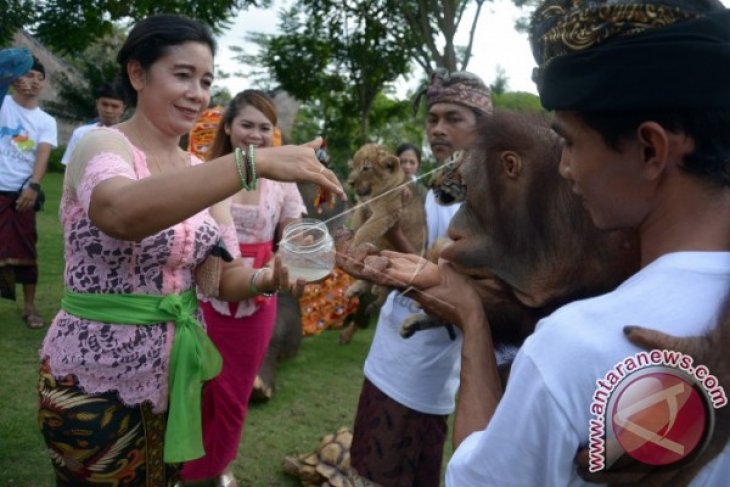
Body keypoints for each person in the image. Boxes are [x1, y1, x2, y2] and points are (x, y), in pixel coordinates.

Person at [357, 1, 730, 485]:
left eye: (571, 143)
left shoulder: (574, 347)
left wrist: (472, 319)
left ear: (650, 149)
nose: (565, 167)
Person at [36, 14, 344, 486]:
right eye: (182, 75)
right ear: (138, 74)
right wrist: (253, 162)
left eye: (205, 80)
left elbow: (217, 277)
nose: (197, 93)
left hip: (177, 377)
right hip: (94, 380)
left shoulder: (201, 171)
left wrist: (268, 277)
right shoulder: (102, 145)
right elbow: (119, 211)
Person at [346, 70, 493, 487]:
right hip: (387, 356)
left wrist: (386, 233)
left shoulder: (483, 199)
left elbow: (444, 286)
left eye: (453, 118)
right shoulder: (435, 187)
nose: (438, 129)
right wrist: (385, 226)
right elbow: (415, 257)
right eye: (433, 118)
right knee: (367, 471)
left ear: (482, 127)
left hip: (422, 374)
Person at [180, 89, 307, 486]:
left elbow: (295, 232)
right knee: (198, 387)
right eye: (246, 125)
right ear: (229, 127)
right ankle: (184, 469)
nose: (255, 134)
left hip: (260, 298)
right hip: (205, 293)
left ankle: (217, 468)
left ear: (274, 133)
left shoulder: (282, 181)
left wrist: (289, 258)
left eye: (264, 127)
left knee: (235, 393)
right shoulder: (207, 171)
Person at [0, 55, 57, 328]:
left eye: (39, 77)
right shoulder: (3, 103)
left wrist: (34, 186)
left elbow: (42, 155)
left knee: (26, 250)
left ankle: (30, 307)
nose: (33, 82)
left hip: (22, 194)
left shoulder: (46, 120)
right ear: (15, 77)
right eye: (28, 74)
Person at [60, 80, 126, 166]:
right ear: (97, 104)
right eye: (105, 104)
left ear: (123, 108)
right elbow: (69, 167)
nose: (109, 110)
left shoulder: (129, 136)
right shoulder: (81, 133)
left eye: (114, 106)